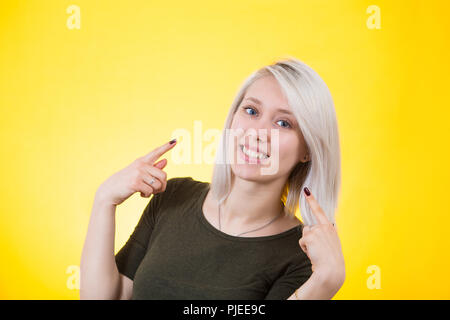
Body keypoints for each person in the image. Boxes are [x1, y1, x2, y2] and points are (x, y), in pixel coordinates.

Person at [80, 56, 346, 300]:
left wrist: (323, 284)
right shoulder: (174, 196)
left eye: (283, 123)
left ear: (308, 149)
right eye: (251, 111)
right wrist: (104, 200)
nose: (256, 132)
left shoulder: (302, 256)